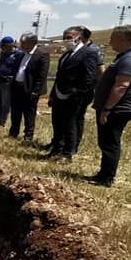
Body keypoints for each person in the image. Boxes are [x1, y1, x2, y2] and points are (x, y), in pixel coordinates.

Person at [85, 25, 131, 187]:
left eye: (113, 38)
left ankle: (106, 178)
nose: (110, 41)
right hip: (114, 107)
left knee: (110, 143)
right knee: (106, 142)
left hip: (117, 109)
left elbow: (122, 85)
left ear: (124, 39)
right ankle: (103, 173)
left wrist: (107, 108)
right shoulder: (126, 56)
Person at [44, 26, 98, 160]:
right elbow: (59, 76)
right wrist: (53, 94)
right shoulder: (67, 54)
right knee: (57, 122)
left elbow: (90, 77)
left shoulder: (88, 53)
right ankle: (56, 148)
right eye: (64, 38)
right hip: (59, 94)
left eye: (69, 37)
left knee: (70, 124)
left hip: (74, 96)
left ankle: (68, 152)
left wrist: (77, 92)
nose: (66, 40)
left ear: (78, 38)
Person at [9, 32, 50, 143]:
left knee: (29, 113)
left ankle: (28, 135)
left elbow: (42, 75)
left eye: (24, 43)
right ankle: (13, 132)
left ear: (32, 43)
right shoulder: (21, 54)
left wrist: (36, 91)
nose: (21, 46)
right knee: (15, 111)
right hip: (17, 87)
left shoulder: (42, 54)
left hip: (30, 89)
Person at [72, 27, 104, 154]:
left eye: (74, 36)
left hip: (83, 90)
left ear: (82, 37)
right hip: (71, 89)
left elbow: (100, 71)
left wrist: (96, 90)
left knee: (77, 117)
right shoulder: (76, 49)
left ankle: (74, 145)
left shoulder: (93, 50)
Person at [0, 35, 19, 126]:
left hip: (7, 83)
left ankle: (2, 122)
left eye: (3, 46)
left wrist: (12, 77)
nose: (1, 48)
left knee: (5, 103)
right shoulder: (3, 54)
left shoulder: (17, 55)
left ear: (9, 45)